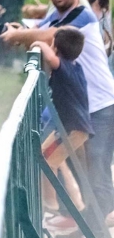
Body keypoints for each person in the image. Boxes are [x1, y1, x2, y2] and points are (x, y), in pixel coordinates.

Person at [2, 0, 114, 231]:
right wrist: (19, 29)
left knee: (96, 171)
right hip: (82, 105)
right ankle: (83, 222)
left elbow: (48, 36)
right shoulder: (58, 14)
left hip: (100, 105)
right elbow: (40, 28)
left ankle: (92, 229)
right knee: (83, 168)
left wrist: (18, 36)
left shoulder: (83, 16)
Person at [34, 29, 93, 219]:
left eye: (52, 44)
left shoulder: (65, 67)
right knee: (43, 153)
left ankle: (51, 205)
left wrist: (39, 44)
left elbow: (51, 59)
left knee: (47, 161)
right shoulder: (75, 67)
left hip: (73, 128)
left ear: (56, 47)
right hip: (71, 127)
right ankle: (76, 202)